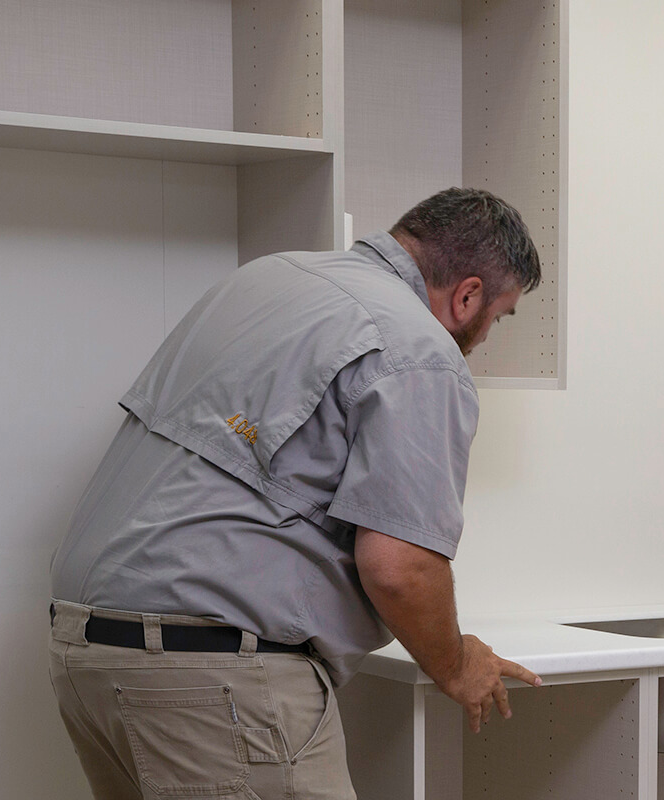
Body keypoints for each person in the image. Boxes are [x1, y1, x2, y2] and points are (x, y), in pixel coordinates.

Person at [49, 187, 545, 800]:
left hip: (89, 650)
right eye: (497, 316)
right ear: (468, 295)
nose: (485, 336)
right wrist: (456, 664)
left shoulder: (266, 279)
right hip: (207, 672)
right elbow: (400, 569)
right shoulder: (418, 349)